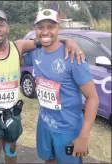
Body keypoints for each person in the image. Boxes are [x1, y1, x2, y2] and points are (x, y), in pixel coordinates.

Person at [0, 9, 86, 164]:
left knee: (11, 150)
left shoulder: (18, 47)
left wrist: (68, 41)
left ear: (8, 28)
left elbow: (45, 38)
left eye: (1, 25)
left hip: (12, 112)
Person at [23, 9, 99, 164]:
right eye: (40, 27)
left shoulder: (73, 57)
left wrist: (84, 136)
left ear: (59, 28)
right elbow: (12, 52)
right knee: (48, 160)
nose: (45, 31)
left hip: (68, 130)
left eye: (51, 27)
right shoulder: (36, 54)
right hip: (44, 124)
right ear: (34, 29)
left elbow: (93, 98)